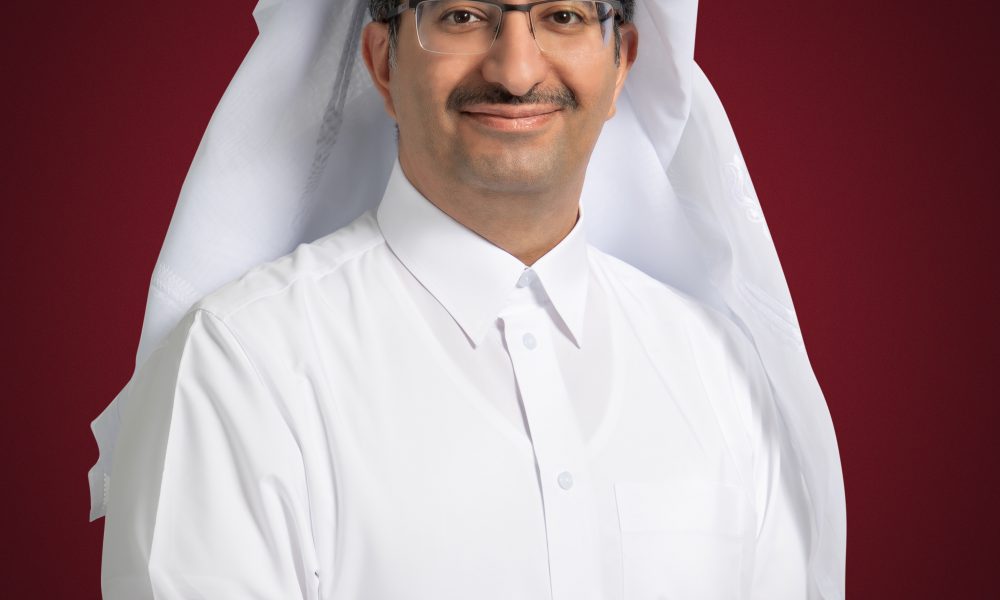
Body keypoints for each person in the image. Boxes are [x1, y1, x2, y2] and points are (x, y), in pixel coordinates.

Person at [93, 0, 846, 598]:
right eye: (462, 15)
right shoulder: (241, 369)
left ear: (622, 63)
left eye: (563, 15)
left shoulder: (720, 374)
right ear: (383, 62)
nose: (516, 70)